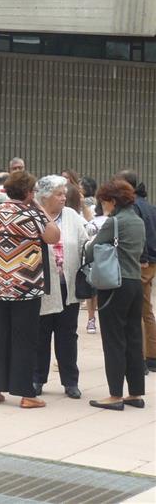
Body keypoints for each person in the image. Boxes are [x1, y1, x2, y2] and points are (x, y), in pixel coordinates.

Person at [0, 171, 59, 408]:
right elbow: (53, 236)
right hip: (27, 285)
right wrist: (39, 207)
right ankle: (26, 394)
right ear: (28, 192)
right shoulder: (32, 215)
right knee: (25, 339)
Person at [87, 179, 147, 410]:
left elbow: (93, 249)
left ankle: (115, 395)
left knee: (113, 339)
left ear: (112, 201)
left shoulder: (114, 222)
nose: (103, 206)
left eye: (104, 201)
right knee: (132, 337)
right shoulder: (137, 221)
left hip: (114, 284)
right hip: (134, 283)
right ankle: (135, 393)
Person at [33, 175, 87, 399]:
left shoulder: (72, 216)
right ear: (45, 196)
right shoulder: (35, 216)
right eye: (59, 194)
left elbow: (85, 242)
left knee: (67, 334)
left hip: (68, 285)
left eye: (64, 193)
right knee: (41, 334)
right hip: (42, 286)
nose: (64, 197)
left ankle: (70, 381)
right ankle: (37, 379)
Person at [115, 171, 156, 374]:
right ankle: (152, 356)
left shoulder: (132, 208)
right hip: (151, 262)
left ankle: (138, 357)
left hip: (139, 262)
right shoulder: (149, 206)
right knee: (146, 310)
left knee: (136, 310)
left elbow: (138, 239)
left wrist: (143, 259)